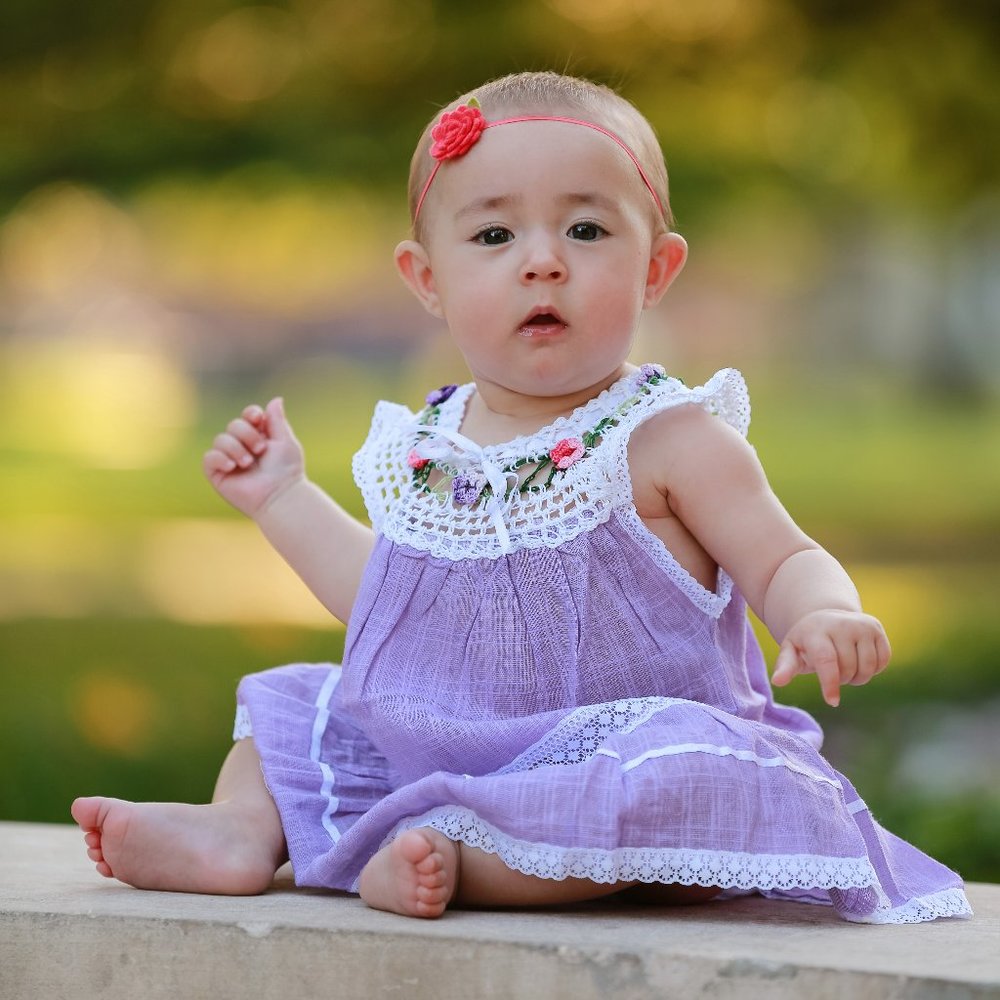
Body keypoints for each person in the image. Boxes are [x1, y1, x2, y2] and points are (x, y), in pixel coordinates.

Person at [71, 71, 971, 923]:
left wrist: (822, 610)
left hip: (606, 756)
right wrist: (282, 499)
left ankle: (467, 862)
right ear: (429, 280)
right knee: (306, 699)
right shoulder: (428, 451)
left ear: (656, 269)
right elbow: (392, 610)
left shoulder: (670, 436)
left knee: (683, 768)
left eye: (586, 231)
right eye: (494, 236)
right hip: (453, 740)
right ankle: (239, 831)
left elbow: (783, 555)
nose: (542, 263)